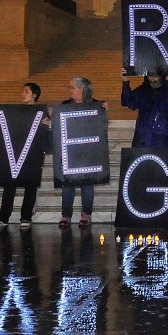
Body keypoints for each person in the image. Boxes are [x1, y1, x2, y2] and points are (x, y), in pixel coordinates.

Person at [0, 82, 48, 230]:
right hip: (15, 154)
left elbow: (46, 134)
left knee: (30, 185)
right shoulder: (14, 112)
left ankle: (26, 216)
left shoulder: (42, 113)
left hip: (32, 154)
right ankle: (3, 217)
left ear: (34, 95)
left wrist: (47, 124)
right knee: (9, 186)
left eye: (26, 91)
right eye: (22, 91)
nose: (22, 94)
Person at [59, 76, 107, 229]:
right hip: (70, 151)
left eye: (72, 87)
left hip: (88, 151)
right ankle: (66, 215)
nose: (69, 90)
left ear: (82, 89)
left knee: (87, 184)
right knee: (67, 185)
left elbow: (101, 127)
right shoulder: (64, 105)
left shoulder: (96, 105)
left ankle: (86, 214)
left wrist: (104, 112)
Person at [121, 65, 168, 148]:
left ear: (161, 76)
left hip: (161, 138)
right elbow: (128, 102)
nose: (152, 79)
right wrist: (125, 81)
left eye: (156, 76)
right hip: (142, 138)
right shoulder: (143, 90)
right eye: (150, 76)